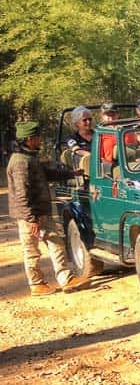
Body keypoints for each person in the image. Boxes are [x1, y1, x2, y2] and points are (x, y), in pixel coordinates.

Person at [6, 121, 88, 295]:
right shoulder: (20, 162)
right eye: (38, 136)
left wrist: (71, 173)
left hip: (41, 212)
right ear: (29, 138)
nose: (40, 139)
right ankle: (36, 284)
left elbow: (47, 174)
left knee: (56, 244)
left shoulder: (30, 156)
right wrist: (31, 219)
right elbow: (22, 194)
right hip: (30, 216)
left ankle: (66, 278)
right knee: (32, 250)